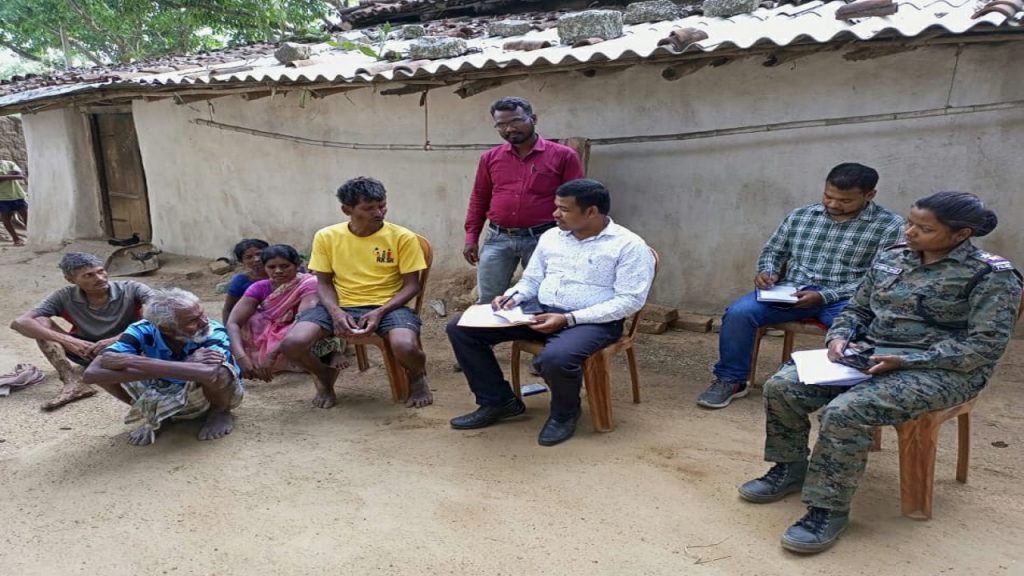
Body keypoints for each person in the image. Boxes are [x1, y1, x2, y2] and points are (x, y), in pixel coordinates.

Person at [739, 192, 1022, 554]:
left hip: (943, 370)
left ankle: (827, 509)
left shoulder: (991, 275)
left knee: (846, 412)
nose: (910, 232)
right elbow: (857, 310)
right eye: (910, 223)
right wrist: (839, 338)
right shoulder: (892, 257)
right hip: (872, 354)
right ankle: (789, 467)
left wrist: (905, 361)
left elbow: (984, 347)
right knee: (783, 386)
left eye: (924, 229)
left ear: (961, 234)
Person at [447, 178, 655, 447]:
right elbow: (532, 280)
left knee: (556, 358)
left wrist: (569, 319)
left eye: (564, 209)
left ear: (592, 212)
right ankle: (498, 402)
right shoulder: (551, 237)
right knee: (461, 328)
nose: (555, 214)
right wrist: (512, 297)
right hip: (542, 312)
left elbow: (629, 301)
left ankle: (564, 414)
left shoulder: (629, 246)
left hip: (593, 322)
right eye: (556, 207)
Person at [697, 163, 905, 409]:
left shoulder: (890, 225)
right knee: (739, 313)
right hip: (791, 292)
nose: (833, 204)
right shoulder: (802, 215)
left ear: (870, 195)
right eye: (828, 196)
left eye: (845, 200)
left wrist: (825, 296)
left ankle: (848, 389)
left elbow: (880, 277)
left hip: (846, 298)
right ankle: (731, 380)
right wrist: (768, 271)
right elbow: (774, 251)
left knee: (858, 331)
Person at [281, 177, 430, 409]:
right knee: (292, 344)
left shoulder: (402, 237)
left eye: (382, 205)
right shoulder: (327, 236)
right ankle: (324, 375)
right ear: (347, 209)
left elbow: (412, 286)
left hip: (389, 307)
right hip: (341, 305)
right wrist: (336, 313)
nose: (378, 213)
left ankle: (417, 377)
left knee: (406, 347)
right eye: (369, 208)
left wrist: (380, 312)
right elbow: (323, 283)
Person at [82, 288, 244, 446]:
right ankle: (154, 414)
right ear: (165, 328)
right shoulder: (141, 330)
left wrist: (133, 361)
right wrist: (184, 365)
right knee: (106, 372)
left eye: (202, 314)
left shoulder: (212, 331)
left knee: (221, 372)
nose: (204, 322)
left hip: (205, 393)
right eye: (192, 321)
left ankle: (220, 411)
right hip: (166, 388)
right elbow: (91, 374)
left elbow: (208, 373)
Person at [463, 96, 585, 304]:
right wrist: (471, 237)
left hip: (543, 238)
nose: (509, 129)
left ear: (533, 119)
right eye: (501, 124)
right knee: (488, 300)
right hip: (498, 238)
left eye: (516, 121)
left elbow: (576, 200)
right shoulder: (490, 158)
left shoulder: (563, 156)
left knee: (541, 299)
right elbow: (479, 198)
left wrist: (572, 239)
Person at [10, 252, 153, 410]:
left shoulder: (132, 288)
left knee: (155, 320)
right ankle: (72, 383)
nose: (99, 278)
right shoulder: (64, 296)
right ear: (71, 280)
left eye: (101, 271)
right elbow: (20, 322)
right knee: (40, 321)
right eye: (88, 275)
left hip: (130, 348)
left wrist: (118, 338)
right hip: (86, 351)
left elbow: (162, 309)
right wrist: (71, 342)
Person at [225, 244, 340, 380]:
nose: (278, 271)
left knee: (299, 338)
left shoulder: (309, 283)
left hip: (299, 327)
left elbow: (303, 318)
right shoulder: (259, 287)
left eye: (285, 266)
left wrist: (272, 354)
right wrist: (241, 357)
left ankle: (328, 356)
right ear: (265, 268)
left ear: (297, 265)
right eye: (271, 267)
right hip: (272, 330)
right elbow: (233, 322)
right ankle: (255, 362)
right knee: (250, 321)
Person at [222, 238, 269, 322]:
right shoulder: (241, 281)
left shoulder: (282, 275)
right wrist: (228, 328)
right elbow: (228, 309)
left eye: (259, 254)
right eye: (249, 257)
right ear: (242, 261)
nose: (256, 259)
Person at [0, 158, 28, 246]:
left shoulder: (9, 163)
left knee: (27, 217)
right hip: (2, 198)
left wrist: (4, 177)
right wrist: (12, 174)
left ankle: (33, 236)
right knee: (6, 219)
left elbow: (21, 175)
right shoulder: (10, 165)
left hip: (17, 195)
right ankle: (16, 239)